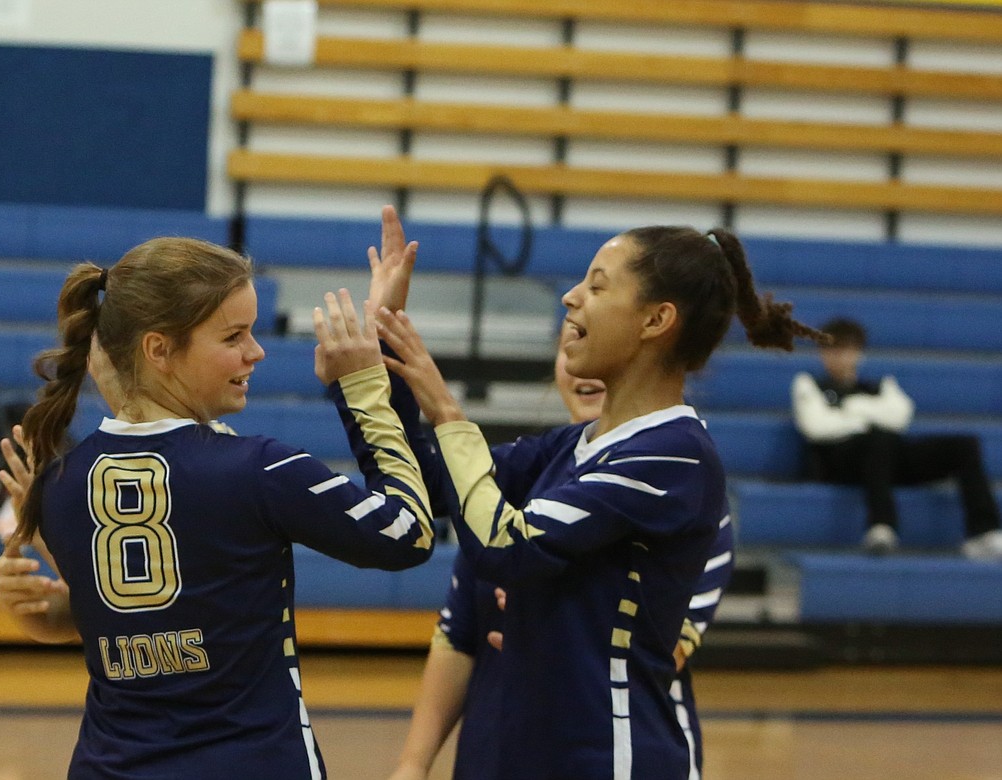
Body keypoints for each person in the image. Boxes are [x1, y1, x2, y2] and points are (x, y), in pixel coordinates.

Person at [0, 219, 439, 779]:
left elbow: (126, 627)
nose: (256, 352)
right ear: (158, 348)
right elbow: (409, 533)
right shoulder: (260, 469)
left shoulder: (59, 484)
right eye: (233, 337)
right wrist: (368, 384)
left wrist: (38, 612)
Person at [376, 226, 826, 779]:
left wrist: (445, 409)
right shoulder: (569, 446)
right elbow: (420, 481)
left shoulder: (675, 455)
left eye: (597, 286)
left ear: (655, 320)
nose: (571, 298)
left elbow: (506, 545)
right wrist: (377, 357)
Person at [388, 325, 736, 780]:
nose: (577, 350)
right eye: (566, 341)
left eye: (589, 332)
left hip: (612, 739)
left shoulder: (680, 478)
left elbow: (658, 649)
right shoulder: (522, 477)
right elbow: (458, 636)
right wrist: (413, 764)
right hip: (505, 741)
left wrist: (546, 627)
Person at [791, 316, 1002, 559]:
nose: (839, 356)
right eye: (832, 349)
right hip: (841, 464)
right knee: (878, 439)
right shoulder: (809, 384)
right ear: (821, 353)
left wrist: (853, 409)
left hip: (887, 461)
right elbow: (816, 426)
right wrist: (872, 417)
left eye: (846, 349)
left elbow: (900, 417)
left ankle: (985, 531)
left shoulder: (881, 385)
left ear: (859, 352)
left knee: (964, 446)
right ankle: (881, 525)